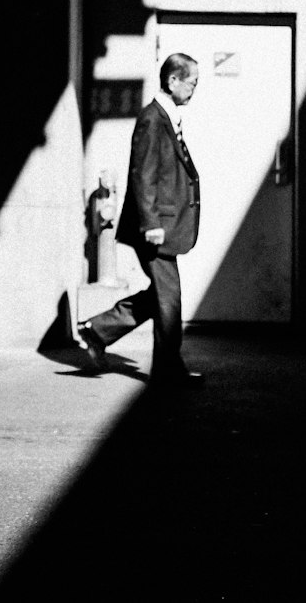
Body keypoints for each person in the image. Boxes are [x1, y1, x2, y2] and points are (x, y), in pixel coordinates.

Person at [77, 52, 203, 386]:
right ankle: (168, 370)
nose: (194, 89)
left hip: (162, 225)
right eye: (192, 82)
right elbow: (142, 175)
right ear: (173, 80)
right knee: (169, 297)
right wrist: (151, 224)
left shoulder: (166, 116)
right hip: (155, 228)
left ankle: (98, 331)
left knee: (159, 295)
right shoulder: (152, 119)